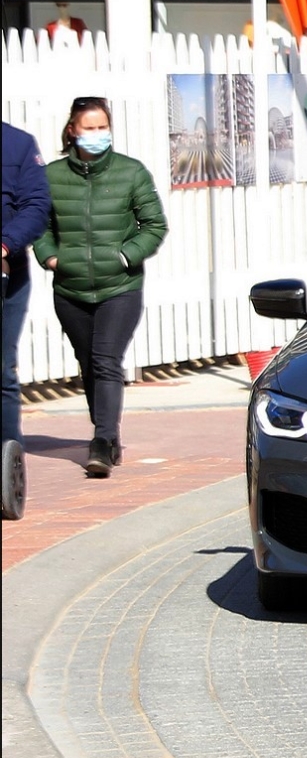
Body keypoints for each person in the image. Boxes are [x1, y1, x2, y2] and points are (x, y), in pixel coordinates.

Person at [32, 99, 169, 479]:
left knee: (107, 360)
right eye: (88, 128)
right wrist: (52, 258)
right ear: (72, 131)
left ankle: (102, 442)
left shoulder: (131, 172)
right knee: (89, 362)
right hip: (70, 289)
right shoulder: (51, 177)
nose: (96, 135)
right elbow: (39, 225)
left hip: (120, 286)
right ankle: (107, 434)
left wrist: (126, 257)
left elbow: (153, 224)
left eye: (102, 127)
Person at [3, 118, 52, 461]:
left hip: (7, 272)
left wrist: (5, 244)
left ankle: (8, 458)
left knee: (1, 368)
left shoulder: (17, 144)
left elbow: (35, 206)